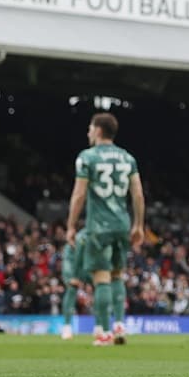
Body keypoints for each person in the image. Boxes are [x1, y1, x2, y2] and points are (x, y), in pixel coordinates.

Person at [67, 112, 146, 347]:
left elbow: (80, 194)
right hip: (122, 224)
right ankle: (120, 324)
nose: (88, 132)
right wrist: (139, 225)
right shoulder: (128, 158)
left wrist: (71, 225)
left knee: (101, 277)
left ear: (98, 130)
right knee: (117, 274)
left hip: (99, 226)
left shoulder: (87, 157)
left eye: (90, 128)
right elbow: (138, 194)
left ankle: (103, 333)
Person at [59, 224, 89, 341]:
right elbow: (67, 265)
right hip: (74, 264)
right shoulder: (70, 248)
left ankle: (102, 327)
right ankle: (66, 327)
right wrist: (72, 277)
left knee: (102, 285)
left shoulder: (97, 236)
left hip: (90, 263)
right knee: (71, 288)